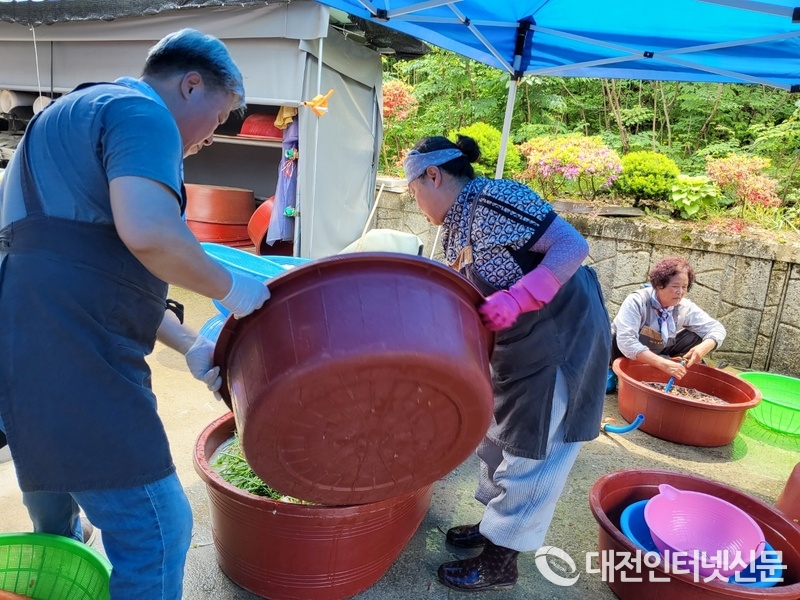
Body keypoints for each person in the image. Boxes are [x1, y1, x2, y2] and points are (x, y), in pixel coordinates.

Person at [0, 29, 270, 599]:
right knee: (156, 531)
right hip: (78, 357)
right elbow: (150, 234)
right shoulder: (142, 113)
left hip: (27, 341)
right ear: (190, 85)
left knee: (56, 516)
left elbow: (90, 268)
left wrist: (190, 342)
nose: (209, 139)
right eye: (218, 118)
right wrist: (235, 288)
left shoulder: (64, 116)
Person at [403, 135, 611, 592]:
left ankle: (501, 562)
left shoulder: (496, 198)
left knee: (534, 449)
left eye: (414, 191)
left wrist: (519, 297)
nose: (415, 202)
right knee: (499, 438)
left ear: (433, 175)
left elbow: (571, 245)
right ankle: (493, 526)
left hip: (561, 338)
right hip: (518, 345)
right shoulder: (457, 226)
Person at [610, 256, 726, 384]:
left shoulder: (684, 307)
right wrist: (662, 363)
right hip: (621, 353)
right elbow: (626, 342)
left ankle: (664, 367)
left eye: (684, 287)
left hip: (657, 351)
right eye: (675, 286)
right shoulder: (637, 301)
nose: (680, 292)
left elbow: (716, 328)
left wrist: (704, 347)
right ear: (659, 285)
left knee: (698, 336)